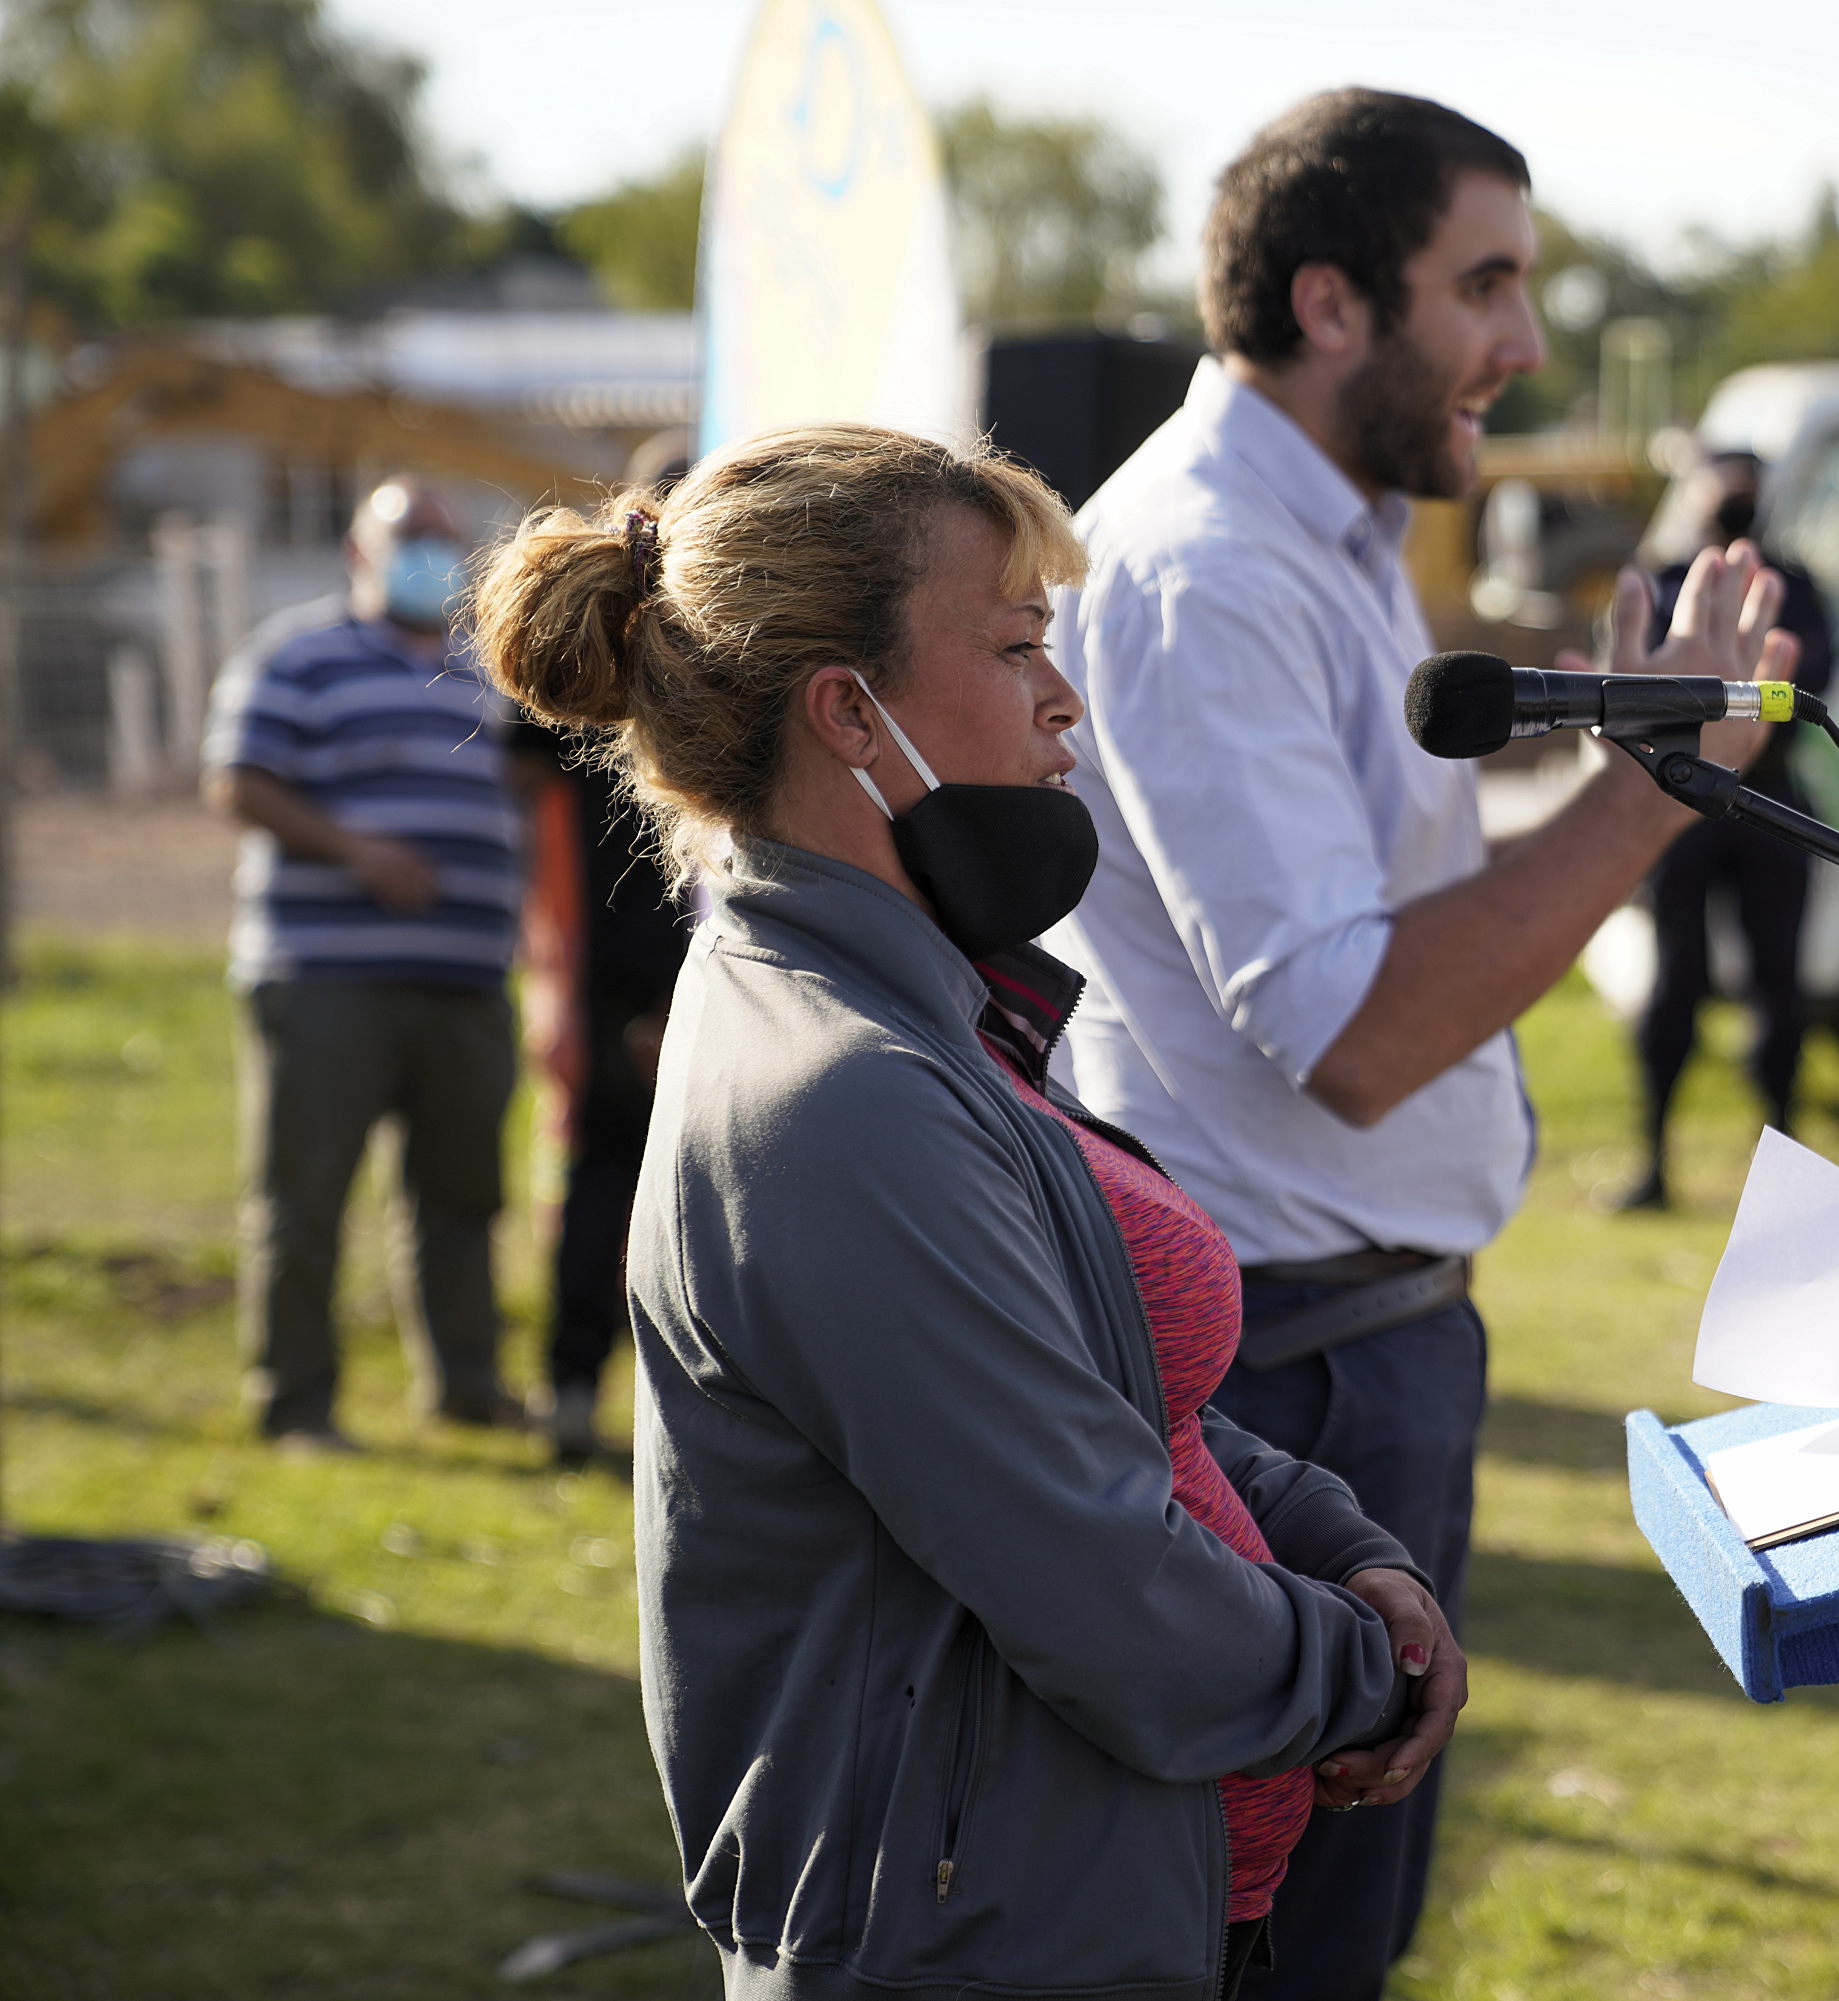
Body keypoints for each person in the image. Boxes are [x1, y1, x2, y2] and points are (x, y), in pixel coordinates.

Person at [469, 423, 1466, 1999]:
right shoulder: (843, 1097)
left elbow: (1124, 1387)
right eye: (1017, 649)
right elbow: (1103, 1590)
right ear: (849, 714)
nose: (1067, 702)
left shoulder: (926, 1015)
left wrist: (1348, 1551)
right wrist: (1372, 1664)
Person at [1051, 89, 1789, 2001]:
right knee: (1295, 1944)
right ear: (1331, 304)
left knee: (1343, 1931)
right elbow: (1357, 1032)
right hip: (1287, 1367)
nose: (1528, 346)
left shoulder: (1333, 531)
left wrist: (1621, 761)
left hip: (1361, 1336)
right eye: (1487, 287)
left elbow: (1379, 919)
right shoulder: (1209, 566)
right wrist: (1659, 794)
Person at [202, 476, 524, 1451]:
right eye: (410, 535)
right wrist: (358, 852)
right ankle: (296, 1403)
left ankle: (466, 1383)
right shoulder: (298, 656)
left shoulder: (485, 670)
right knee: (305, 1198)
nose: (432, 553)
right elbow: (238, 784)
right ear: (359, 552)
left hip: (466, 981)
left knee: (463, 1197)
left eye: (446, 537)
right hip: (327, 975)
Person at [516, 434, 696, 1465]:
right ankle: (584, 1392)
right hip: (653, 957)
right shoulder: (654, 641)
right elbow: (547, 822)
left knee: (617, 1178)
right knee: (619, 1179)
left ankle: (585, 1393)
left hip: (645, 955)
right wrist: (554, 974)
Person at [1610, 450, 1839, 1212]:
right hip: (1681, 810)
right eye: (1724, 487)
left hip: (1769, 804)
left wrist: (1741, 736)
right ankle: (1653, 1157)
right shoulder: (1663, 581)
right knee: (1677, 979)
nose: (1736, 501)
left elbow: (1812, 682)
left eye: (1747, 487)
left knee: (1779, 984)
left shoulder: (1793, 588)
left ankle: (1784, 1159)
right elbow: (1630, 690)